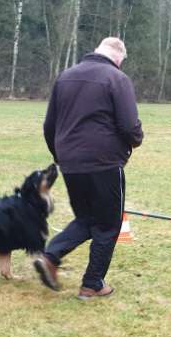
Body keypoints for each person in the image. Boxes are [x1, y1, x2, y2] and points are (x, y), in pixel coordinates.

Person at [34, 37, 144, 300]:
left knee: (86, 218)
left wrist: (60, 155)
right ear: (118, 56)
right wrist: (136, 140)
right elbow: (130, 125)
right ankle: (92, 283)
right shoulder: (117, 78)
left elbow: (49, 125)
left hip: (70, 162)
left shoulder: (65, 77)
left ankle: (50, 257)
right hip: (104, 162)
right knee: (108, 224)